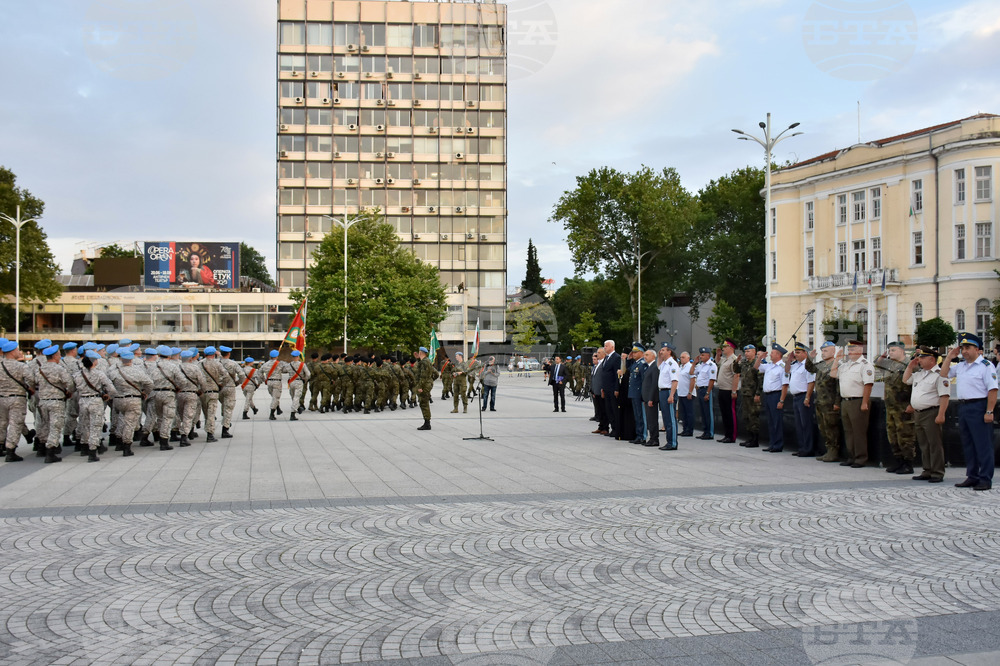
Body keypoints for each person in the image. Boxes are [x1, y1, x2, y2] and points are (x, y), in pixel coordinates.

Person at [941, 332, 998, 491]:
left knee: (983, 445)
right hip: (964, 407)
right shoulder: (961, 366)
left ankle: (985, 478)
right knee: (968, 444)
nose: (964, 351)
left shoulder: (986, 366)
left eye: (968, 348)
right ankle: (972, 476)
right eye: (963, 348)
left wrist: (989, 411)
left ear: (977, 349)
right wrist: (949, 357)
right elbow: (943, 374)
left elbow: (993, 390)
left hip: (979, 406)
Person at [903, 346, 950, 483]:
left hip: (931, 412)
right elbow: (905, 380)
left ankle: (937, 472)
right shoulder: (920, 374)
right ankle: (927, 470)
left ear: (932, 359)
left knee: (934, 444)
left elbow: (944, 396)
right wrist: (910, 366)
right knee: (924, 443)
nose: (919, 360)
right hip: (918, 413)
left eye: (922, 358)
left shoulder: (939, 375)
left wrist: (941, 414)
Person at [830, 340, 875, 468]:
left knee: (858, 431)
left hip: (858, 401)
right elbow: (833, 374)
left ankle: (860, 458)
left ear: (860, 350)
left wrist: (865, 402)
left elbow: (868, 385)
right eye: (849, 350)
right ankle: (851, 456)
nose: (849, 352)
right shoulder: (846, 365)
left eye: (852, 349)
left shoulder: (865, 365)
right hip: (846, 401)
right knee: (848, 431)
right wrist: (836, 360)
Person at [874, 341, 916, 475]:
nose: (890, 353)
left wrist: (912, 404)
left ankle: (908, 463)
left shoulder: (910, 365)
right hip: (891, 407)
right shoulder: (890, 365)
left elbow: (916, 385)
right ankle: (898, 461)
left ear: (902, 351)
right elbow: (877, 364)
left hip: (904, 407)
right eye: (889, 350)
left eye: (893, 350)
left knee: (905, 436)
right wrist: (883, 355)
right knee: (892, 435)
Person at [32, 345, 75, 463]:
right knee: (55, 426)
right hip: (56, 401)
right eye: (59, 354)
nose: (60, 356)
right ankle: (50, 452)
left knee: (45, 425)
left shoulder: (39, 369)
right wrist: (69, 392)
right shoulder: (59, 369)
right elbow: (70, 383)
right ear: (55, 356)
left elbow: (32, 381)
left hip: (43, 401)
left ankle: (42, 447)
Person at [109, 349, 151, 458]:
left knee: (122, 419)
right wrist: (145, 392)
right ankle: (126, 446)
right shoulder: (137, 371)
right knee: (130, 423)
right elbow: (149, 383)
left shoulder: (113, 371)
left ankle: (119, 440)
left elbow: (107, 384)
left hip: (118, 399)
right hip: (133, 400)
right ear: (131, 359)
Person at [75, 350, 116, 462]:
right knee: (95, 426)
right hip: (95, 401)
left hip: (83, 401)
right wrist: (108, 395)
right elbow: (111, 389)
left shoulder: (77, 374)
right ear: (94, 362)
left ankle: (84, 446)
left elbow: (71, 387)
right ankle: (92, 451)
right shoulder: (99, 374)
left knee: (85, 424)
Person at [806, 342, 842, 462]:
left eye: (826, 351)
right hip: (820, 402)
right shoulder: (821, 365)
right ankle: (828, 450)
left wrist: (837, 402)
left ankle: (834, 451)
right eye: (822, 351)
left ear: (833, 352)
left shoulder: (836, 365)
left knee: (831, 427)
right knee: (823, 427)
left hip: (830, 403)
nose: (823, 353)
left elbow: (838, 386)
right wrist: (810, 358)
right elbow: (809, 368)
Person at [0, 340, 33, 462]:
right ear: (12, 352)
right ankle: (10, 450)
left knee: (2, 422)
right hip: (17, 399)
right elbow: (31, 380)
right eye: (17, 350)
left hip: (1, 398)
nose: (19, 352)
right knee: (15, 424)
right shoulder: (21, 366)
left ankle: (1, 445)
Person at [787, 342, 817, 457]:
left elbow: (811, 382)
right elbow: (786, 370)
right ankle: (802, 447)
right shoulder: (796, 365)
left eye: (799, 352)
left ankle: (808, 449)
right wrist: (789, 360)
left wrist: (807, 397)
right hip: (796, 397)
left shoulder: (808, 366)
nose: (796, 354)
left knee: (806, 424)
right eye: (795, 352)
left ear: (805, 353)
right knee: (799, 425)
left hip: (804, 396)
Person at [759, 344, 789, 453]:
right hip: (767, 395)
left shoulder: (782, 367)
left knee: (776, 421)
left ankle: (778, 444)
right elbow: (756, 367)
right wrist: (759, 358)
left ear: (778, 355)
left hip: (776, 395)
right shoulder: (769, 366)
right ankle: (772, 443)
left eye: (772, 353)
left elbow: (785, 385)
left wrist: (781, 400)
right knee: (770, 421)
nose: (770, 354)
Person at [734, 345, 763, 448]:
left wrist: (758, 393)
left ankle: (755, 440)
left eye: (748, 351)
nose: (746, 353)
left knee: (753, 416)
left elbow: (760, 380)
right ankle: (750, 438)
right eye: (745, 351)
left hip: (753, 394)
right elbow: (736, 370)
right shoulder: (744, 363)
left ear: (754, 352)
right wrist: (736, 362)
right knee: (746, 416)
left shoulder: (757, 363)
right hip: (745, 393)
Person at [714, 340, 740, 443]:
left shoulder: (734, 360)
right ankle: (727, 434)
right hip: (722, 389)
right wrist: (718, 354)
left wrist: (734, 391)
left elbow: (736, 375)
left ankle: (732, 436)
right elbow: (717, 361)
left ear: (731, 348)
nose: (723, 348)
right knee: (724, 413)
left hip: (729, 390)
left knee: (730, 414)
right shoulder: (725, 359)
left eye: (725, 347)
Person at [656, 343, 680, 451]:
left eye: (663, 350)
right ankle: (668, 441)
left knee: (671, 419)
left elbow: (674, 381)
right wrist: (659, 356)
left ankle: (673, 442)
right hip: (662, 391)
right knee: (666, 419)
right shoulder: (664, 363)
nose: (661, 352)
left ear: (669, 351)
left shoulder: (672, 364)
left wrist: (671, 395)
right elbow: (658, 366)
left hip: (669, 391)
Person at [691, 347, 717, 440]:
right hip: (700, 390)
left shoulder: (711, 365)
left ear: (708, 355)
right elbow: (691, 373)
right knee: (702, 412)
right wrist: (694, 363)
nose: (700, 356)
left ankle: (710, 433)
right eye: (700, 355)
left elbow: (712, 380)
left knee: (708, 412)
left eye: (703, 355)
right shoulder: (701, 365)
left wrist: (708, 393)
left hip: (706, 389)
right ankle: (705, 431)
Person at [599, 340, 621, 439]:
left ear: (612, 347)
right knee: (608, 409)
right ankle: (613, 428)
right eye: (604, 346)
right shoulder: (606, 358)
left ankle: (616, 429)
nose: (605, 348)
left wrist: (616, 388)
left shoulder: (616, 357)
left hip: (612, 388)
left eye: (606, 346)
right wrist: (603, 388)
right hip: (606, 388)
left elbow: (617, 375)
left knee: (613, 409)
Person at [413, 346, 438, 430]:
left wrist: (421, 386)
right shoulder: (427, 361)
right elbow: (436, 374)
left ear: (420, 353)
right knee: (424, 403)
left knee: (424, 403)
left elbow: (423, 376)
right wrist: (430, 381)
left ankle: (427, 423)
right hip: (426, 385)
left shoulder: (424, 362)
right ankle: (427, 422)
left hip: (424, 386)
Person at [640, 349, 660, 448]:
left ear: (653, 356)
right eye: (644, 355)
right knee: (649, 419)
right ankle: (652, 438)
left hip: (651, 398)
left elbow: (654, 384)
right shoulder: (648, 367)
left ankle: (654, 439)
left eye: (647, 355)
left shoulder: (655, 367)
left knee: (652, 419)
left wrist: (651, 398)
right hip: (647, 398)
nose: (645, 356)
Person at [627, 345, 647, 443]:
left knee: (641, 415)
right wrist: (628, 359)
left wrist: (643, 395)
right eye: (633, 352)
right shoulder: (635, 363)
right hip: (634, 393)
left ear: (642, 353)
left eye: (636, 352)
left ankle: (642, 436)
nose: (633, 354)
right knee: (636, 415)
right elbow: (628, 370)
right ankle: (638, 435)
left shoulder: (643, 364)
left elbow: (644, 381)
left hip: (639, 393)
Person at [286, 349, 310, 420]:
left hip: (291, 382)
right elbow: (308, 374)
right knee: (296, 397)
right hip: (299, 382)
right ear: (298, 356)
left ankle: (298, 407)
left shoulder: (289, 365)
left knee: (293, 396)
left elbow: (285, 370)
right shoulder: (302, 364)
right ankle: (293, 413)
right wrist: (305, 379)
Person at [677, 351, 695, 437]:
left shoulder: (690, 367)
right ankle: (684, 429)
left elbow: (692, 380)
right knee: (683, 413)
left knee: (689, 413)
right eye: (681, 357)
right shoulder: (681, 367)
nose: (681, 359)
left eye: (683, 357)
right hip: (681, 393)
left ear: (688, 358)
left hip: (687, 393)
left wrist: (690, 392)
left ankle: (689, 430)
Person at [590, 349, 608, 433]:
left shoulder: (604, 363)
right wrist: (592, 390)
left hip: (601, 391)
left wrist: (602, 389)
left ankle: (605, 428)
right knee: (599, 410)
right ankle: (601, 426)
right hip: (596, 391)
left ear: (604, 354)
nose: (597, 354)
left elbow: (603, 378)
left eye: (599, 353)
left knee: (603, 410)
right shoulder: (597, 365)